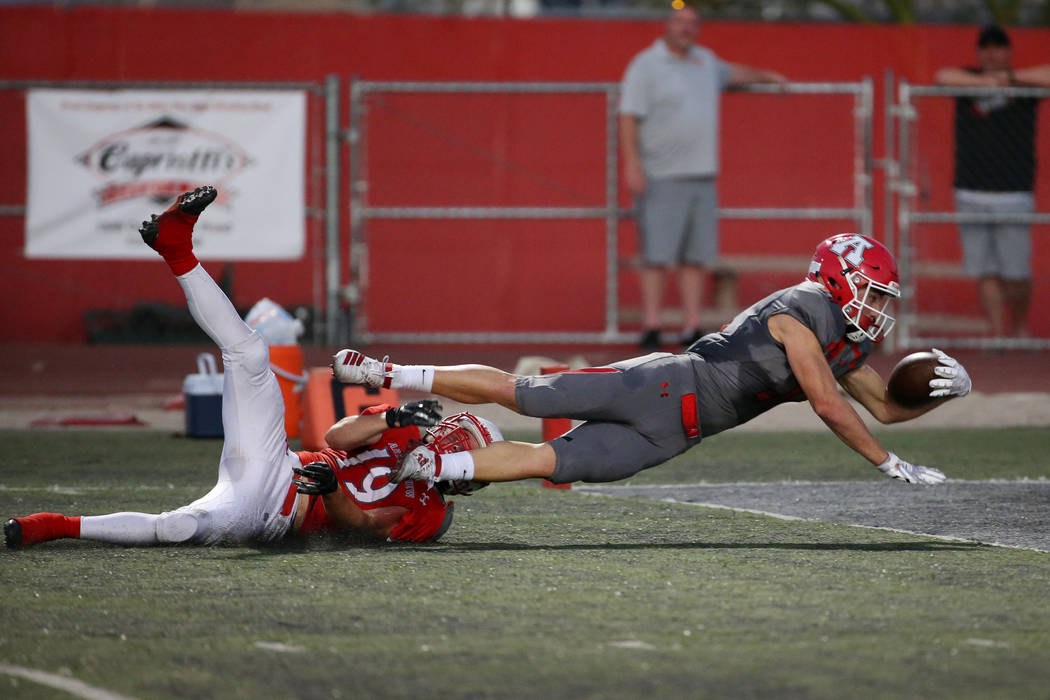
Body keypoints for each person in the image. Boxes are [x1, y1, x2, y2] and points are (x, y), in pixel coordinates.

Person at [4, 187, 499, 549]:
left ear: (472, 477)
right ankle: (176, 248)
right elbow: (339, 437)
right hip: (275, 462)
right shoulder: (404, 435)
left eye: (466, 448)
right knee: (250, 352)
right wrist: (391, 418)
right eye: (462, 434)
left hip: (274, 514)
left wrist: (332, 496)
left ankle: (53, 525)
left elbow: (364, 528)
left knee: (177, 529)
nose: (452, 442)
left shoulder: (431, 514)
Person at [334, 233, 972, 490]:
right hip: (661, 387)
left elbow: (886, 407)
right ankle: (386, 372)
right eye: (870, 290)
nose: (877, 305)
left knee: (547, 463)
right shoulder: (799, 312)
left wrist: (945, 390)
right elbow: (830, 405)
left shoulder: (839, 341)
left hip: (676, 434)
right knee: (519, 393)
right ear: (837, 280)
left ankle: (434, 466)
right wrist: (886, 463)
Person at [619, 6, 787, 351]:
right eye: (680, 22)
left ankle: (691, 324)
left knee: (694, 257)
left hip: (702, 176)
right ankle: (652, 325)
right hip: (660, 175)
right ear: (667, 25)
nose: (686, 29)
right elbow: (628, 116)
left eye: (692, 23)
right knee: (656, 255)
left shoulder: (705, 61)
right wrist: (632, 164)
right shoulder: (645, 65)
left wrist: (767, 76)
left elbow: (734, 73)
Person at [935, 25, 1050, 338]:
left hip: (1014, 192)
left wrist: (1009, 80)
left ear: (1009, 52)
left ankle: (1020, 327)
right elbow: (942, 77)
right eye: (985, 47)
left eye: (998, 47)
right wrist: (990, 82)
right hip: (970, 189)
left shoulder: (1025, 85)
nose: (992, 53)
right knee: (984, 270)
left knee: (1016, 273)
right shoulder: (967, 80)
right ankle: (998, 334)